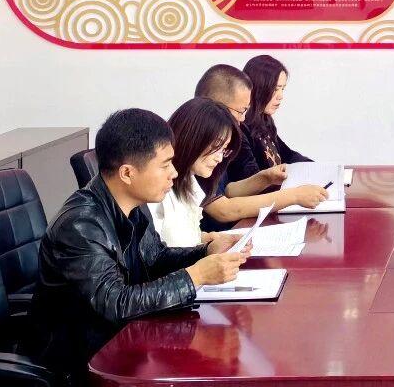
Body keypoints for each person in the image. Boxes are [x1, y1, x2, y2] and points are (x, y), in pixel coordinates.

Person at [25, 108, 252, 381]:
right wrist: (196, 276)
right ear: (127, 173)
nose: (174, 173)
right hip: (76, 364)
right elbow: (115, 303)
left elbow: (155, 259)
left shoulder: (133, 204)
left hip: (123, 343)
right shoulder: (80, 225)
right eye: (165, 165)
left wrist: (206, 251)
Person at [193, 64, 327, 230]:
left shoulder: (219, 138)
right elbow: (223, 210)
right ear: (215, 106)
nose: (243, 119)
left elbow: (227, 190)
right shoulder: (198, 142)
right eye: (241, 111)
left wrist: (265, 178)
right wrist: (294, 196)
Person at [149, 97, 239, 247]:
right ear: (191, 138)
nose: (219, 158)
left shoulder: (189, 180)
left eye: (224, 149)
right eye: (216, 146)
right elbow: (155, 252)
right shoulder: (154, 190)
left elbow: (181, 238)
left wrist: (204, 238)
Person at [243, 55, 313, 169]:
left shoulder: (264, 120)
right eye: (275, 89)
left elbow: (288, 155)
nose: (280, 96)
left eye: (282, 89)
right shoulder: (242, 128)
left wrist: (320, 168)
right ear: (258, 88)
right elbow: (251, 175)